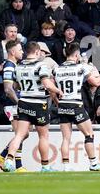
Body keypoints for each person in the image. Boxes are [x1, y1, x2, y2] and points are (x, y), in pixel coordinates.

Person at [53, 42, 100, 171]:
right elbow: (96, 82)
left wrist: (57, 101)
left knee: (66, 138)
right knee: (89, 135)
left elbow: (52, 89)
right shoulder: (81, 68)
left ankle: (66, 166)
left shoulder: (57, 69)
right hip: (75, 104)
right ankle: (94, 164)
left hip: (63, 105)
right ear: (76, 54)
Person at [4, 42, 62, 172]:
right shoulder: (41, 65)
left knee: (19, 135)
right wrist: (58, 91)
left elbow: (15, 86)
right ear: (37, 52)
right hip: (38, 103)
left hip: (23, 102)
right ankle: (45, 166)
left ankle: (8, 160)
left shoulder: (18, 66)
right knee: (43, 136)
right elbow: (47, 84)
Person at [0, 40, 28, 173]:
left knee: (23, 134)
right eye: (20, 50)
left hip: (13, 104)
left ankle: (2, 156)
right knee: (20, 134)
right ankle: (17, 165)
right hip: (12, 105)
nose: (22, 52)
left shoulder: (12, 65)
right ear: (12, 52)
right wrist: (19, 103)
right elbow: (8, 89)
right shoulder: (9, 66)